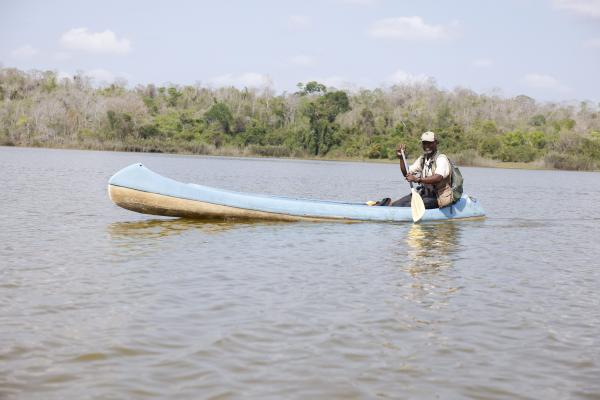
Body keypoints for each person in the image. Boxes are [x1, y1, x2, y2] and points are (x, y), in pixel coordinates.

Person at [390, 131, 454, 209]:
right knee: (397, 204)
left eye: (430, 143)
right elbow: (407, 173)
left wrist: (418, 179)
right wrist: (401, 159)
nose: (427, 146)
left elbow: (438, 178)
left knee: (408, 206)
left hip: (438, 197)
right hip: (425, 194)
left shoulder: (441, 159)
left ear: (436, 143)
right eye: (424, 143)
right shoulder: (423, 159)